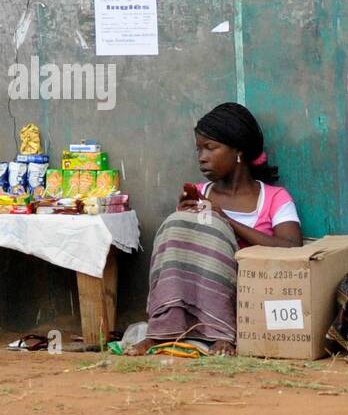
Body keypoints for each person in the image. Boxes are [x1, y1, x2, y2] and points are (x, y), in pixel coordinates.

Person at [128, 103, 302, 356]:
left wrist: (224, 220)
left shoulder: (276, 198)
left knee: (215, 228)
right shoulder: (200, 195)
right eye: (198, 148)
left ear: (238, 151)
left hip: (247, 293)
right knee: (174, 226)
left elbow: (292, 248)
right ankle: (161, 332)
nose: (202, 157)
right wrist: (187, 217)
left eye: (211, 147)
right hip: (196, 291)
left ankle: (221, 334)